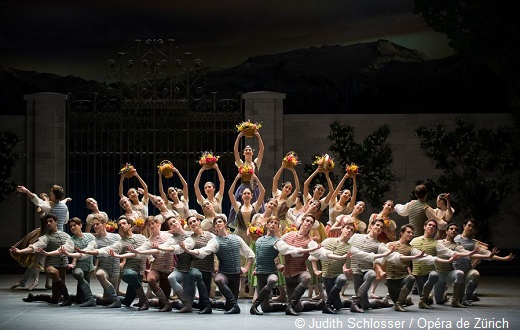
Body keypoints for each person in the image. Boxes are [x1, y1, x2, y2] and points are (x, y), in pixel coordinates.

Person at [313, 222, 395, 314]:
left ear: (352, 234)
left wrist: (386, 254)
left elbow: (365, 255)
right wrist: (315, 270)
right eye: (347, 228)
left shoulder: (351, 248)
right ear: (341, 229)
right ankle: (347, 302)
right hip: (327, 275)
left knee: (343, 279)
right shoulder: (328, 241)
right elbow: (315, 254)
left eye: (351, 230)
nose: (349, 230)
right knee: (339, 305)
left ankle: (328, 304)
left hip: (339, 274)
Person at [180, 215, 255, 314]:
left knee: (229, 307)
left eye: (219, 222)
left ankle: (231, 305)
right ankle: (235, 305)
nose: (217, 224)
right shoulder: (214, 241)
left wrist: (246, 268)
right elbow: (204, 251)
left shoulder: (237, 238)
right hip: (224, 273)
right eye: (215, 223)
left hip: (236, 275)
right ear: (214, 227)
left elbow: (250, 254)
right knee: (218, 280)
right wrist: (188, 250)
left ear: (225, 223)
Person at [249, 216, 320, 315]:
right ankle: (289, 306)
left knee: (305, 278)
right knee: (267, 308)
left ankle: (313, 305)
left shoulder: (278, 241)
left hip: (296, 271)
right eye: (271, 222)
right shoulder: (284, 237)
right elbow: (260, 255)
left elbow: (289, 250)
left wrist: (310, 250)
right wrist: (277, 264)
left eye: (311, 222)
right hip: (286, 273)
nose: (273, 224)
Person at [80, 216, 148, 310]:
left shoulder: (142, 237)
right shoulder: (121, 242)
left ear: (129, 225)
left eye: (124, 223)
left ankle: (100, 299)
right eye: (120, 225)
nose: (122, 226)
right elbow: (107, 250)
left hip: (139, 272)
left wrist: (151, 264)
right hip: (128, 271)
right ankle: (144, 300)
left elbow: (148, 249)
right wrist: (88, 252)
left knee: (127, 302)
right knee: (131, 274)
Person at [409, 219, 478, 309]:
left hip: (435, 273)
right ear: (424, 226)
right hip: (419, 273)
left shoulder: (437, 244)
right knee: (433, 300)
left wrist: (470, 253)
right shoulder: (415, 240)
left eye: (434, 226)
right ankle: (435, 297)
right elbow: (407, 250)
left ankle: (455, 300)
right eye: (429, 225)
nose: (431, 227)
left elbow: (450, 252)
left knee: (437, 275)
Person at [10, 214, 72, 306]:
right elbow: (34, 247)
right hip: (51, 265)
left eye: (51, 221)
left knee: (55, 299)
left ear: (56, 222)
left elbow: (74, 246)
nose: (48, 223)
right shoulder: (46, 237)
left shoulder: (66, 235)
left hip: (63, 265)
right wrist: (20, 251)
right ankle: (68, 298)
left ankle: (35, 297)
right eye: (47, 222)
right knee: (54, 272)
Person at [435, 222, 498, 308]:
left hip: (449, 273)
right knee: (438, 300)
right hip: (438, 274)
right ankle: (441, 296)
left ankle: (456, 300)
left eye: (456, 230)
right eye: (451, 229)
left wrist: (488, 256)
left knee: (460, 273)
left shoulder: (457, 246)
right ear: (446, 231)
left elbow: (469, 254)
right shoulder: (438, 243)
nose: (454, 231)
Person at [453, 218, 515, 305]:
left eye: (472, 227)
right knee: (451, 298)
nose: (470, 228)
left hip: (466, 270)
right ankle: (468, 295)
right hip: (454, 270)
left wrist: (503, 258)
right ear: (464, 226)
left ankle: (466, 297)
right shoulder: (455, 238)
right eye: (469, 225)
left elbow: (488, 254)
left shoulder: (474, 244)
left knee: (475, 274)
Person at [37, 217, 97, 307]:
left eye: (74, 225)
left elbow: (97, 245)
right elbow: (60, 250)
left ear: (80, 225)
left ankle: (89, 297)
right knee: (78, 274)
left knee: (81, 298)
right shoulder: (71, 240)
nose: (72, 228)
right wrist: (47, 253)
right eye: (71, 226)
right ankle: (92, 298)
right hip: (79, 267)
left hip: (89, 267)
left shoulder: (90, 236)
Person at [124, 216, 175, 311]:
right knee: (150, 279)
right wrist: (122, 255)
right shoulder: (149, 241)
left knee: (160, 304)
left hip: (168, 269)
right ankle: (166, 303)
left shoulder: (169, 235)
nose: (151, 226)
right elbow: (139, 250)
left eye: (152, 223)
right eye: (148, 225)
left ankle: (154, 302)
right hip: (157, 268)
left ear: (157, 224)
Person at [280, 214, 327, 316]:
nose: (309, 223)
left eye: (311, 222)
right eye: (307, 221)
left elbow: (319, 253)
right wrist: (277, 263)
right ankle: (317, 305)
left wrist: (330, 254)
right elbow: (277, 247)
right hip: (288, 273)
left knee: (307, 277)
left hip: (300, 271)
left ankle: (290, 306)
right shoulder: (288, 235)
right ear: (302, 221)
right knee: (298, 307)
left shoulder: (310, 242)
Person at [73, 214, 122, 308]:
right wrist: (71, 254)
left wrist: (123, 262)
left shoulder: (116, 237)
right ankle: (114, 299)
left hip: (115, 271)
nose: (95, 226)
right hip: (104, 269)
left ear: (104, 224)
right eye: (93, 225)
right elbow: (86, 253)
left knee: (107, 300)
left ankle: (93, 297)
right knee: (99, 274)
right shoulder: (95, 241)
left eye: (97, 224)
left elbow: (121, 248)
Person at [10, 193, 50, 291]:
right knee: (36, 257)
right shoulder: (42, 209)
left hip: (51, 234)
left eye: (44, 199)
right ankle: (35, 281)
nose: (42, 201)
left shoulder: (53, 206)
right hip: (43, 234)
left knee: (48, 259)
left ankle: (47, 283)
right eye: (41, 199)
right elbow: (44, 217)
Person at [228, 130, 265, 227]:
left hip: (255, 189)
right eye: (246, 150)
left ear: (252, 153)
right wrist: (238, 138)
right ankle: (240, 225)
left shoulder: (256, 163)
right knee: (240, 209)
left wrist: (258, 137)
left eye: (250, 150)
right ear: (243, 153)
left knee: (256, 210)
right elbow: (235, 151)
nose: (248, 151)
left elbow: (261, 150)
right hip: (244, 188)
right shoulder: (241, 164)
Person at [367, 200, 397, 299]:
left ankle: (372, 291)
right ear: (384, 205)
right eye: (388, 205)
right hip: (371, 243)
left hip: (383, 245)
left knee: (381, 270)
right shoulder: (374, 216)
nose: (389, 207)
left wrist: (386, 231)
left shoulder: (391, 223)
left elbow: (394, 238)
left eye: (391, 206)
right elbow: (368, 230)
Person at [327, 172, 357, 237]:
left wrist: (354, 179)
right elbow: (336, 190)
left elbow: (354, 195)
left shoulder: (347, 208)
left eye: (349, 195)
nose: (347, 195)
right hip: (328, 228)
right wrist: (344, 177)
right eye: (345, 193)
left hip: (339, 231)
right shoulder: (333, 202)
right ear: (340, 194)